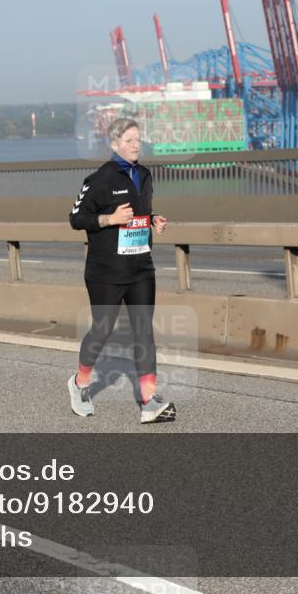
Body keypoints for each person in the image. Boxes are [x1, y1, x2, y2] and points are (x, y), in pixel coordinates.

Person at [68, 118, 176, 424]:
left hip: (141, 265)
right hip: (106, 270)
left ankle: (148, 401)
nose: (135, 145)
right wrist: (108, 219)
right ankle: (79, 384)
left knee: (144, 332)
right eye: (129, 140)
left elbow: (139, 211)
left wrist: (153, 218)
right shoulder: (100, 178)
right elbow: (76, 218)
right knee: (103, 329)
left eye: (138, 139)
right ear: (115, 144)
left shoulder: (144, 174)